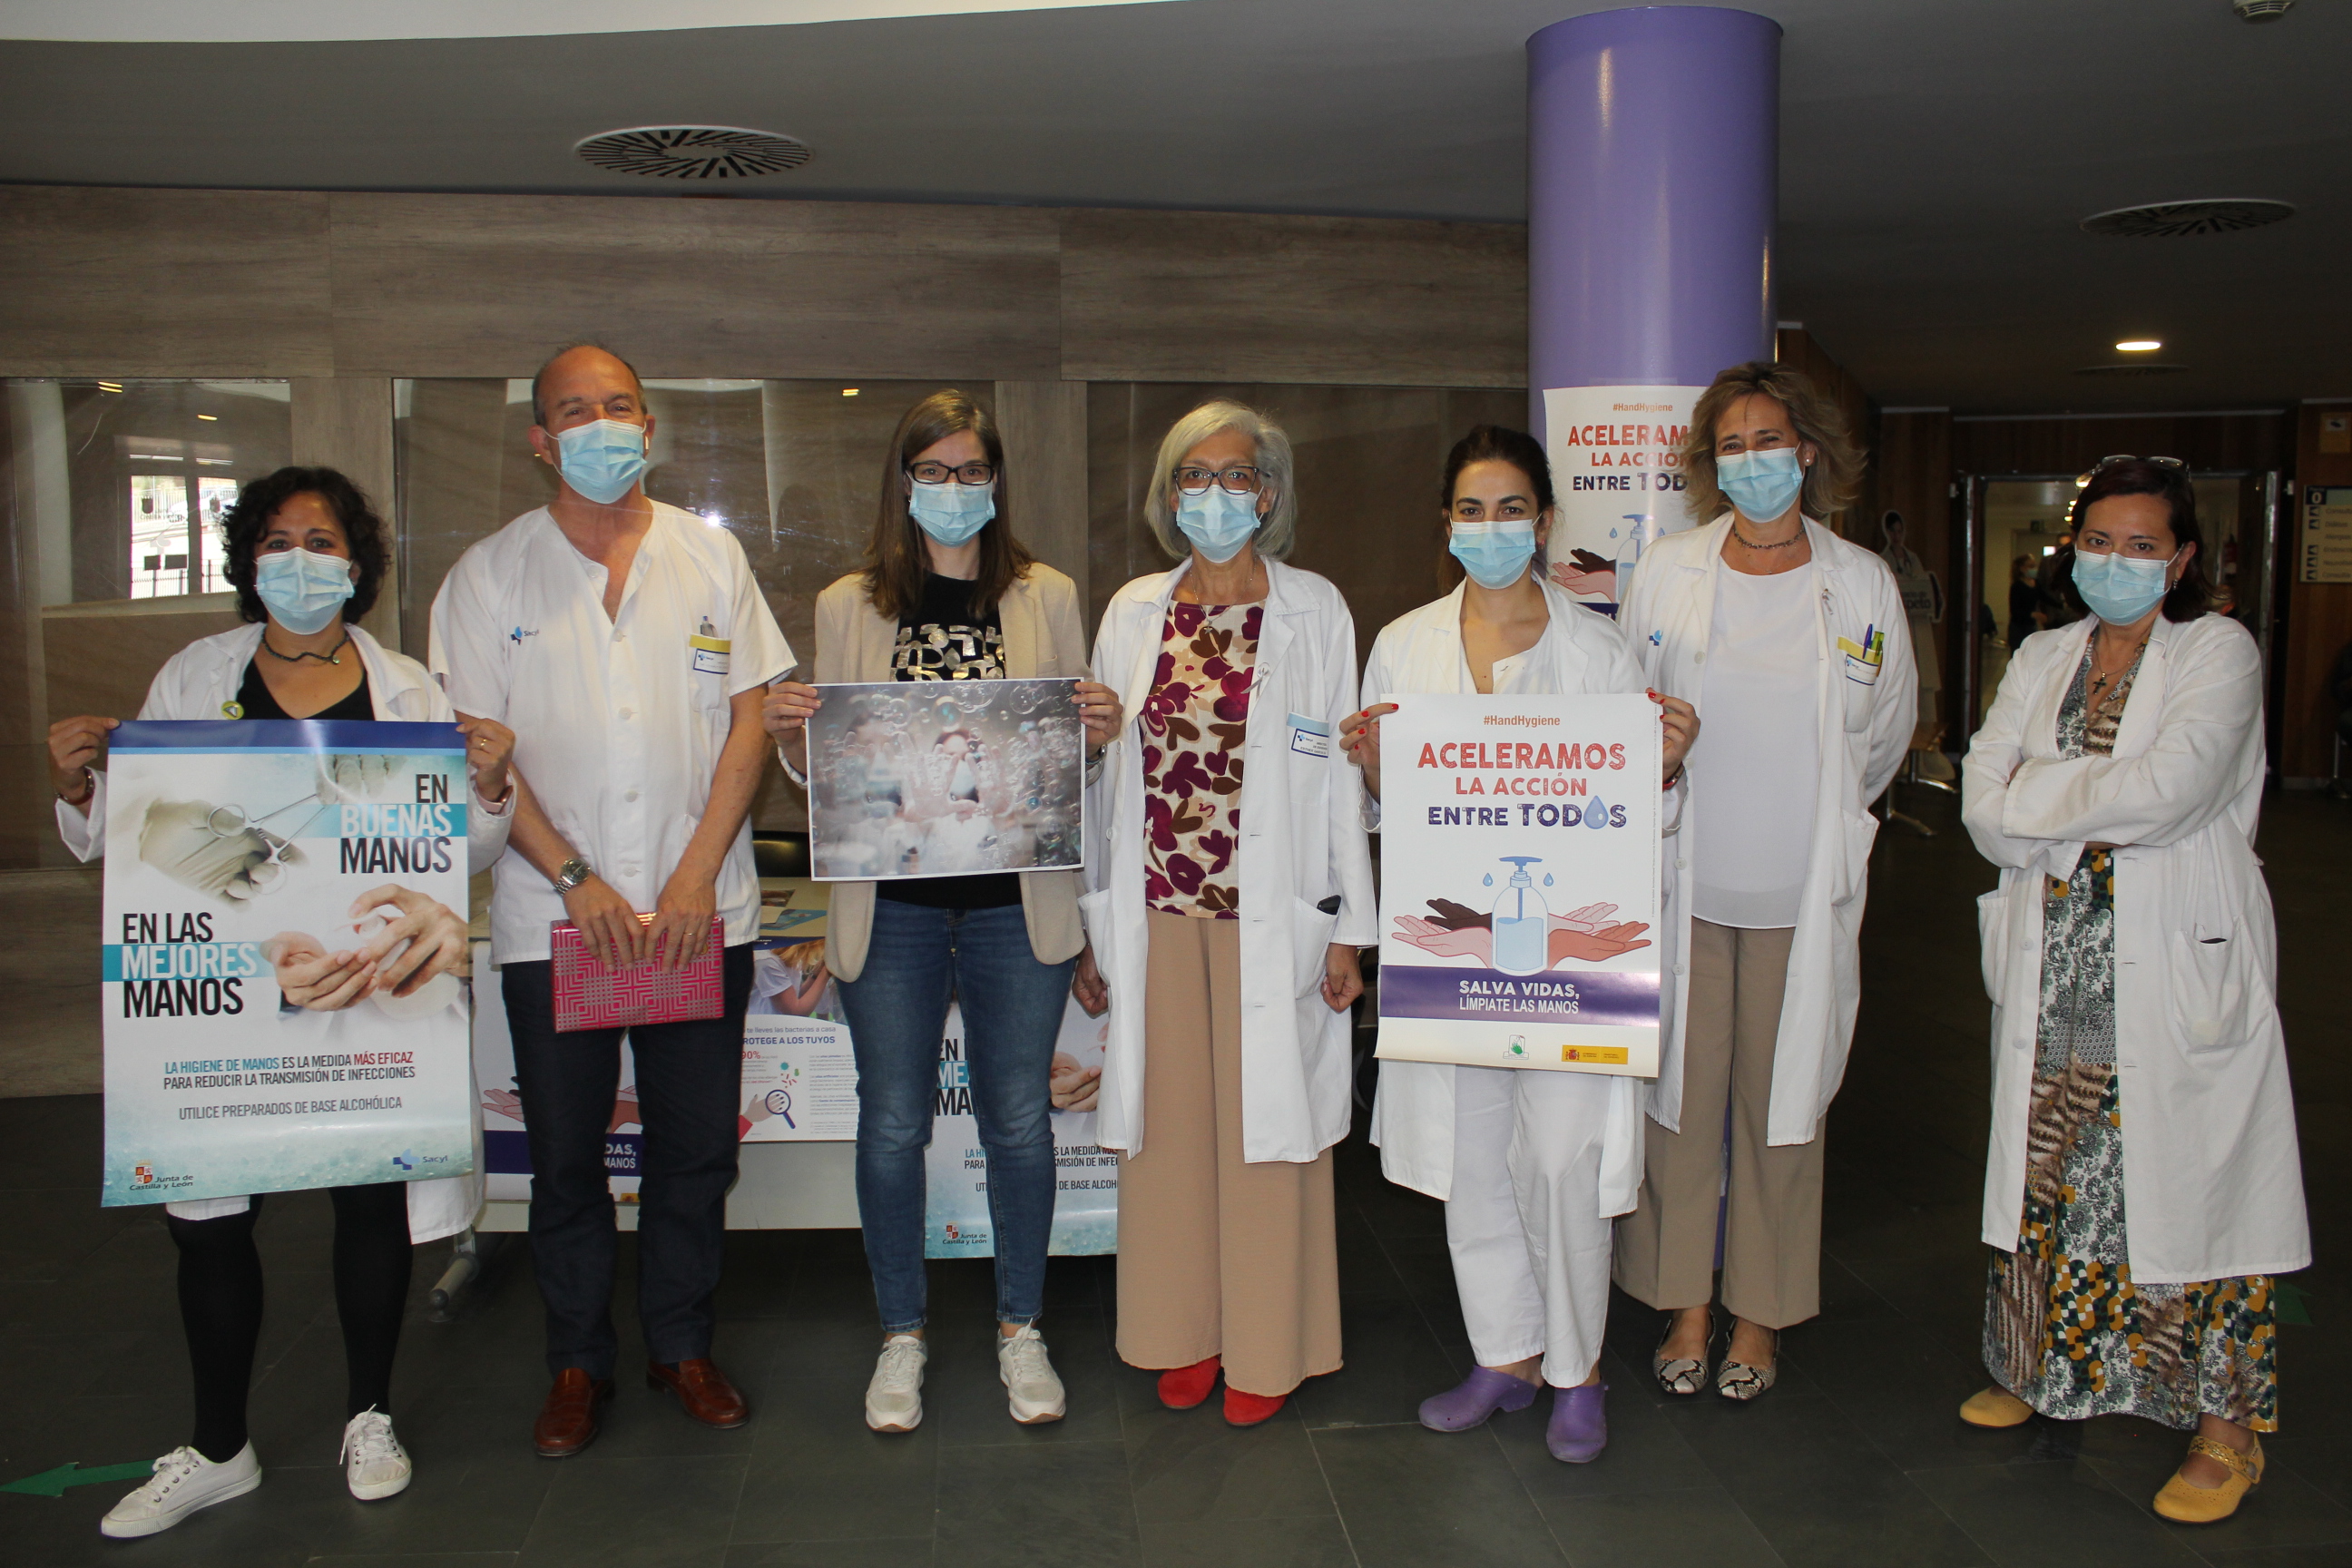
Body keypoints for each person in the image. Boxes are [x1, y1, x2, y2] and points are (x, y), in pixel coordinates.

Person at [47, 466, 516, 1535]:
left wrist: (487, 789)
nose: (300, 561)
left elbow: (459, 854)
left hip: (368, 992)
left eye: (321, 541)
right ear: (247, 561)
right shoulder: (193, 677)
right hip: (228, 1001)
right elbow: (142, 837)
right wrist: (83, 788)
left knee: (368, 1202)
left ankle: (370, 1415)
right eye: (276, 541)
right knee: (211, 1220)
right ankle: (220, 1446)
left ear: (356, 563)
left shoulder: (408, 690)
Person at [430, 342, 791, 1457]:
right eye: (573, 411)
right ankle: (577, 1362)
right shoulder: (489, 576)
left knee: (695, 1150)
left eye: (618, 406)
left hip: (696, 914)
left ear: (649, 426)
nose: (600, 426)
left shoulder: (708, 555)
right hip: (556, 922)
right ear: (540, 440)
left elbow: (753, 717)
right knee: (567, 1156)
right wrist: (574, 877)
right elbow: (476, 749)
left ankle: (682, 1344)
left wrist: (692, 876)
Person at [761, 389, 1122, 1433]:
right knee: (891, 1121)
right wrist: (792, 737)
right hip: (896, 912)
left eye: (971, 471)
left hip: (1018, 908)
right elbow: (831, 776)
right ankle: (901, 1335)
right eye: (934, 471)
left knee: (1017, 1120)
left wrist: (1098, 735)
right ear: (905, 481)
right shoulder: (848, 605)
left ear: (996, 481)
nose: (953, 489)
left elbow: (1067, 766)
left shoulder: (1047, 595)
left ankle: (1021, 1326)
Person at [1338, 426, 1699, 1463]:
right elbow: (1384, 808)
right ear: (1446, 523)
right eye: (1470, 510)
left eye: (1509, 510)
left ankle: (1578, 1369)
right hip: (1454, 951)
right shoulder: (1404, 645)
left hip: (1572, 965)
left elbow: (1636, 814)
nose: (1489, 528)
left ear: (1544, 522)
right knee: (1473, 1155)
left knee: (1561, 1158)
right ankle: (1506, 1355)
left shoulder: (1599, 652)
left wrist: (1664, 766)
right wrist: (1374, 767)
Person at [1959, 456, 2308, 1524]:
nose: (2116, 562)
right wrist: (2057, 800)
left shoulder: (2218, 651)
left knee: (2196, 1180)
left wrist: (2037, 793)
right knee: (2056, 1167)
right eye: (2099, 542)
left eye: (2142, 545)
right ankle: (2045, 1371)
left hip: (2174, 947)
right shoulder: (2044, 653)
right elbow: (1979, 796)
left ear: (2183, 557)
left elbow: (2174, 790)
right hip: (2060, 948)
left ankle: (2226, 1431)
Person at [1609, 361, 1915, 1400]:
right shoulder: (1669, 571)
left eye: (1768, 442)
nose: (1751, 463)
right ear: (1711, 463)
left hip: (1798, 895)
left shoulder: (1859, 583)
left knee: (1784, 1114)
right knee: (1678, 1107)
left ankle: (1759, 1316)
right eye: (1731, 446)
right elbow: (1630, 713)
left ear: (1809, 452)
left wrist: (1822, 823)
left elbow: (1883, 737)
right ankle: (1683, 1303)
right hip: (1686, 885)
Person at [1080, 399, 1376, 1426]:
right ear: (1170, 498)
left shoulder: (1315, 610)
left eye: (1236, 476)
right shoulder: (1132, 612)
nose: (1214, 495)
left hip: (1274, 912)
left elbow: (1340, 777)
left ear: (1269, 494)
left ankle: (1266, 1345)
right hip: (1159, 910)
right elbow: (1095, 775)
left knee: (1269, 1137)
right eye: (1194, 477)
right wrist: (1091, 921)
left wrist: (1350, 928)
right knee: (1169, 1135)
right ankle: (1183, 1333)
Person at [2006, 554, 2042, 652]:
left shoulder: (2036, 583)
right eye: (2031, 566)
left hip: (2031, 627)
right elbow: (2015, 611)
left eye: (2034, 565)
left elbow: (2044, 597)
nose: (2034, 569)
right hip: (2018, 628)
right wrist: (2032, 614)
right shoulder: (2017, 587)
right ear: (2022, 568)